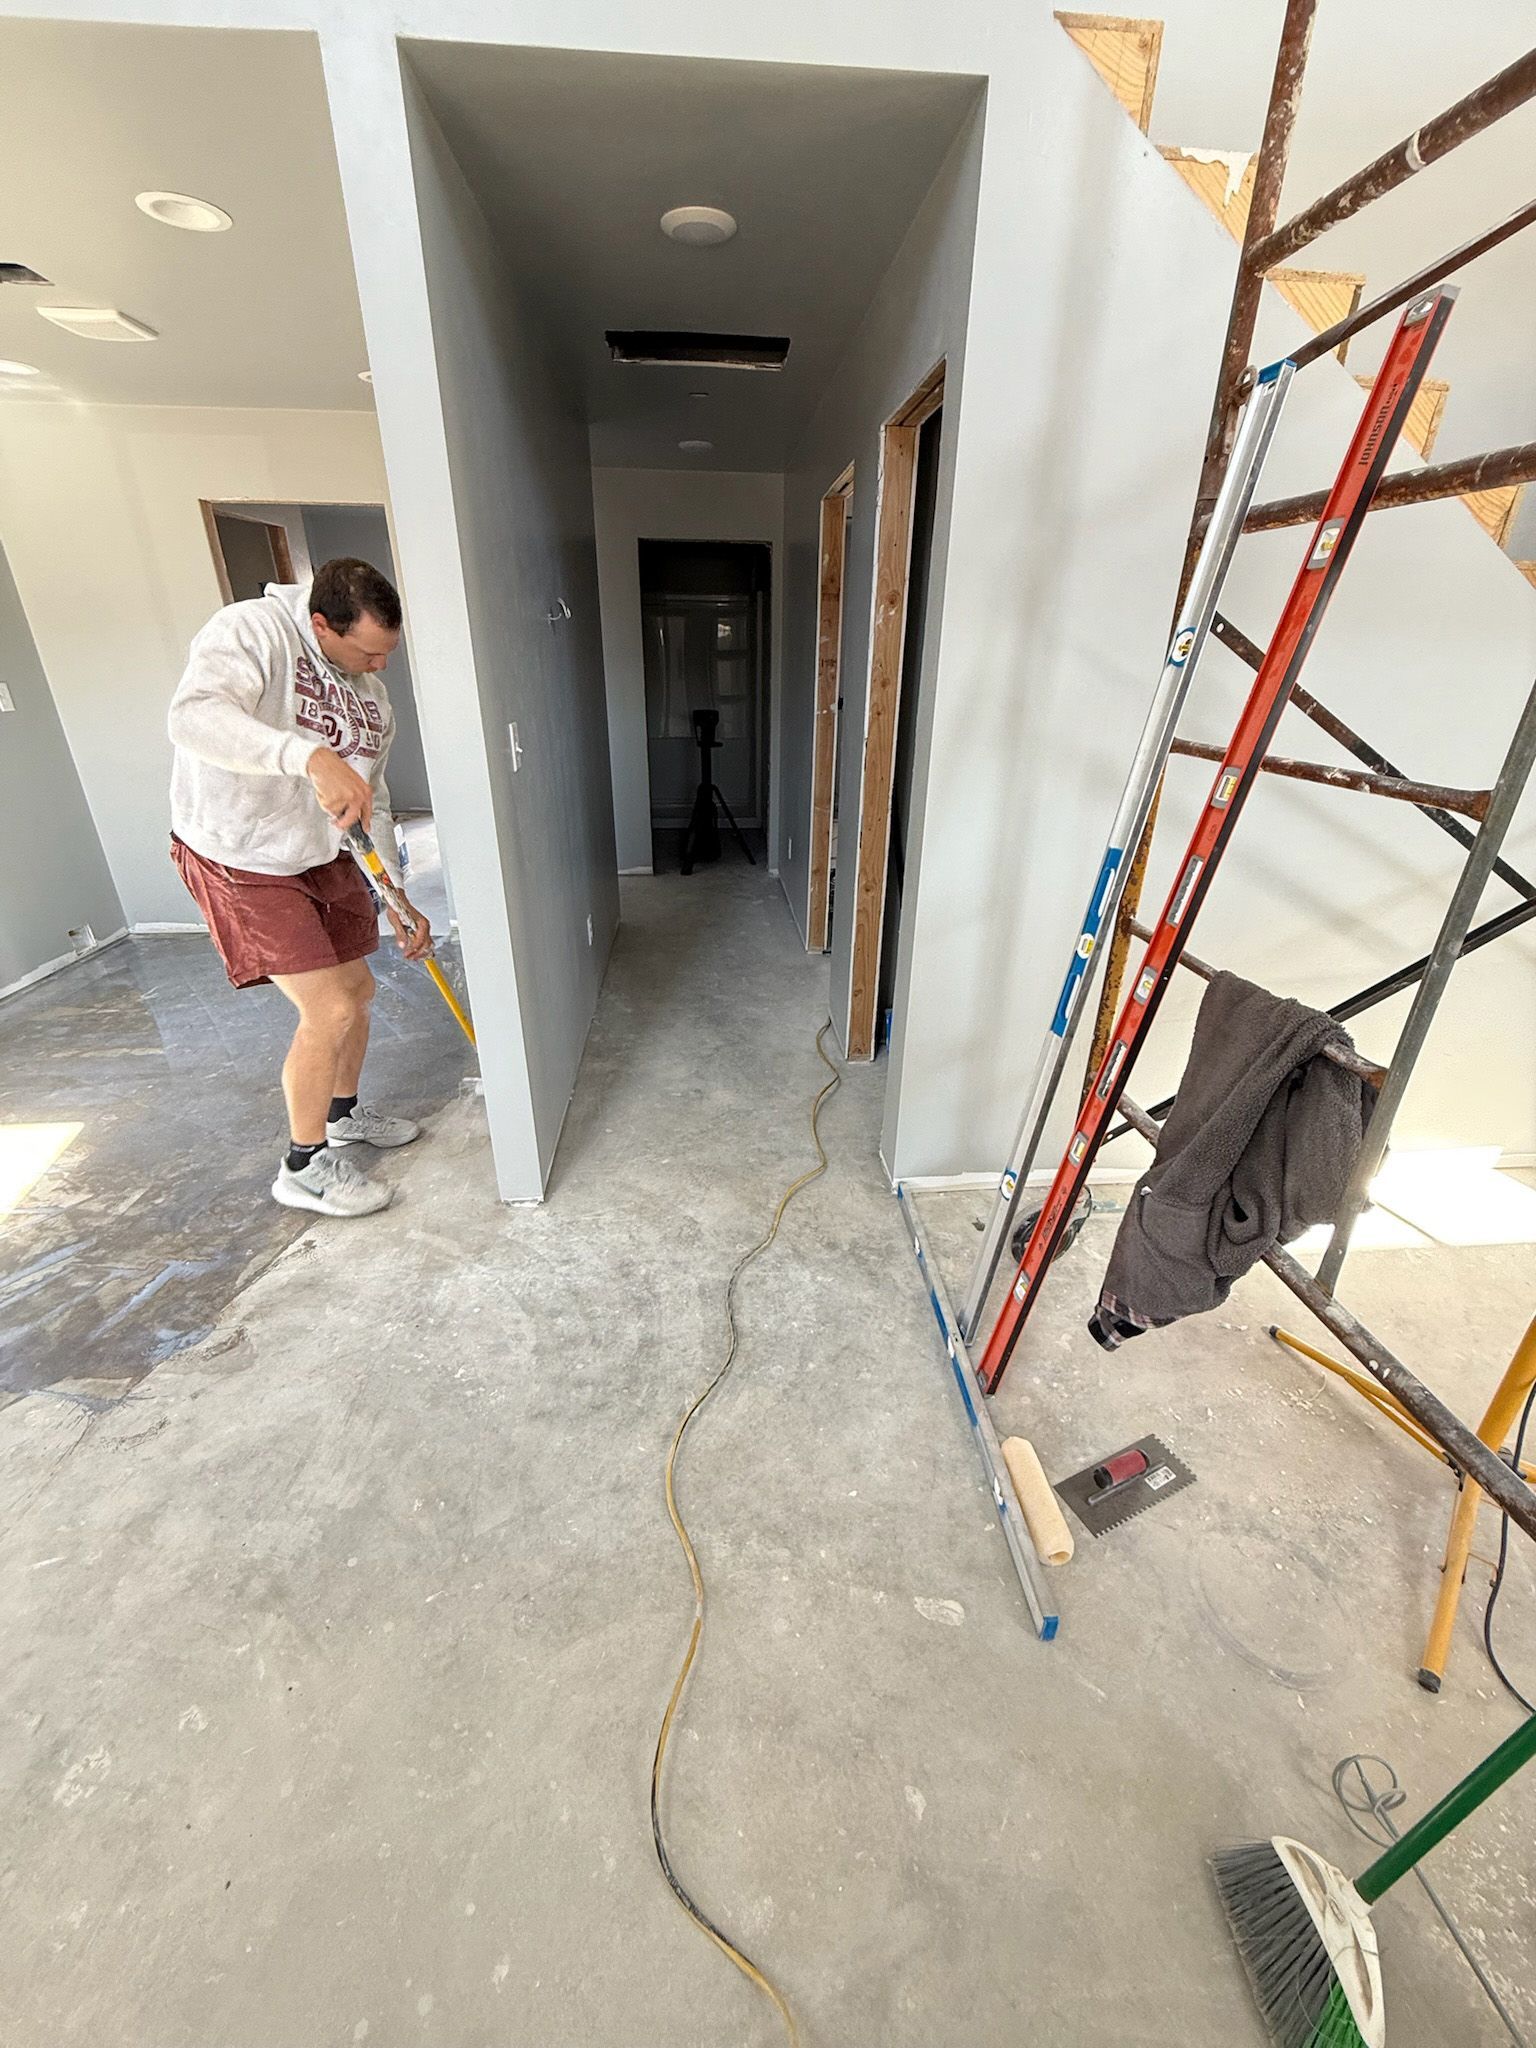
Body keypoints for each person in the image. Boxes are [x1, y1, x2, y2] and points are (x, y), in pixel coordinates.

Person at [167, 557, 433, 1218]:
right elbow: (194, 718)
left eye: (388, 654)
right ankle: (303, 1164)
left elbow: (373, 801)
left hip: (323, 853)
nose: (379, 668)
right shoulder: (252, 631)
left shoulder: (373, 697)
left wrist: (396, 901)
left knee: (360, 992)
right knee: (330, 1009)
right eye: (368, 652)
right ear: (321, 624)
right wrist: (308, 755)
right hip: (241, 851)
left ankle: (341, 1116)